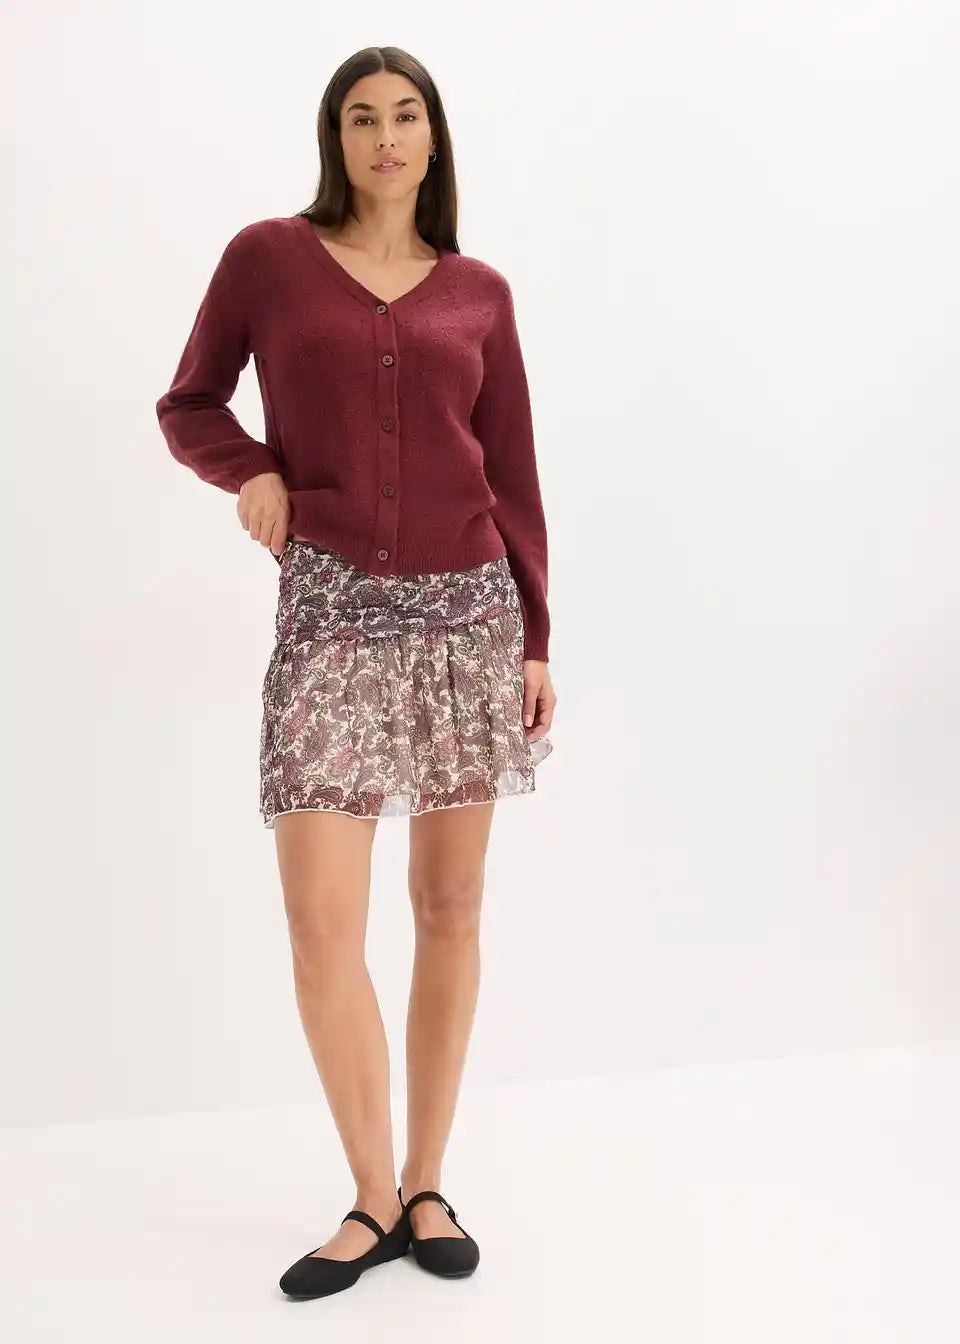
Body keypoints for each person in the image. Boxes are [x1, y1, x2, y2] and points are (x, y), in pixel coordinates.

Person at [155, 45, 556, 1300]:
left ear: (433, 139)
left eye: (406, 116)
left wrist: (536, 637)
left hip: (467, 617)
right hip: (330, 613)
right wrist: (253, 471)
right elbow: (189, 403)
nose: (385, 137)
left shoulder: (479, 293)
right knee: (322, 923)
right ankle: (371, 1196)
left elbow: (513, 472)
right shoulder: (269, 260)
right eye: (362, 117)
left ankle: (428, 1184)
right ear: (335, 137)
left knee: (449, 907)